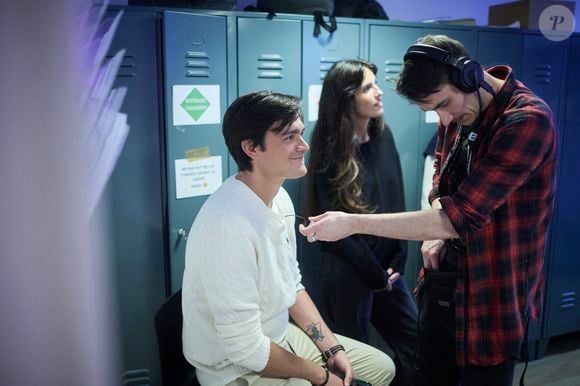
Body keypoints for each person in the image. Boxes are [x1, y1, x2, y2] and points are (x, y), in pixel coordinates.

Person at [300, 35, 557, 386]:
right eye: (435, 110)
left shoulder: (526, 120)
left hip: (490, 292)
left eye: (445, 104)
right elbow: (440, 181)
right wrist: (436, 230)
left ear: (469, 74)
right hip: (443, 283)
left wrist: (352, 223)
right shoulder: (456, 110)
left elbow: (461, 216)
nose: (446, 117)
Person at [181, 91, 395, 386]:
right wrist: (319, 376)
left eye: (301, 134)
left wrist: (331, 348)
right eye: (289, 137)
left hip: (278, 336)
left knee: (382, 368)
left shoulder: (279, 198)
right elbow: (245, 349)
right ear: (251, 148)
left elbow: (291, 284)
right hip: (235, 367)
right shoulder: (227, 225)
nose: (304, 145)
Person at [304, 59, 417, 386]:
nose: (380, 92)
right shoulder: (328, 149)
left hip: (388, 270)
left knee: (416, 346)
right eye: (368, 87)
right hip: (349, 272)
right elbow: (335, 233)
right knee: (356, 363)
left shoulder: (384, 134)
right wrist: (375, 274)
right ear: (346, 97)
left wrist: (399, 256)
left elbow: (396, 198)